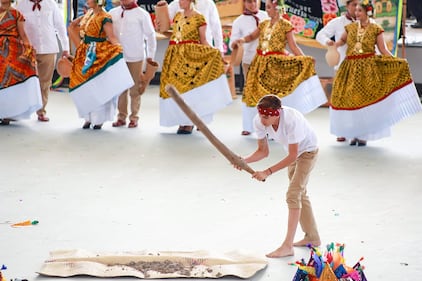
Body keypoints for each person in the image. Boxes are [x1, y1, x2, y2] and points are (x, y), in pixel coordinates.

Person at [233, 94, 321, 258]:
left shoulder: (291, 120)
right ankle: (312, 237)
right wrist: (243, 161)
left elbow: (293, 155)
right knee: (300, 194)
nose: (262, 119)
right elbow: (263, 152)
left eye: (266, 116)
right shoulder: (259, 121)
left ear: (277, 113)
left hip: (308, 152)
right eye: (261, 115)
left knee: (293, 195)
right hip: (293, 153)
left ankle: (288, 246)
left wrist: (267, 172)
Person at [331, 0, 422, 146]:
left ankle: (363, 135)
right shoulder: (350, 28)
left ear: (367, 12)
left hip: (368, 69)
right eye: (356, 11)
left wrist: (396, 61)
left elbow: (383, 49)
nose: (357, 13)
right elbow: (342, 40)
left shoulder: (376, 29)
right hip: (350, 68)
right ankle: (353, 133)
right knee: (350, 100)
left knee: (365, 101)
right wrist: (334, 45)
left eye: (360, 11)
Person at [231, 0, 327, 133]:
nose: (267, 10)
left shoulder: (286, 25)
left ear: (277, 9)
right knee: (252, 92)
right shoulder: (264, 23)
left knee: (272, 97)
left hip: (276, 65)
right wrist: (241, 40)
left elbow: (293, 46)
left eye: (269, 7)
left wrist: (304, 58)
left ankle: (273, 126)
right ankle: (250, 126)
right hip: (259, 63)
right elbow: (252, 36)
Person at [158, 0, 232, 134]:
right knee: (178, 88)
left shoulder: (202, 12)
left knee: (195, 88)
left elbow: (208, 35)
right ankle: (182, 119)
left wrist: (218, 52)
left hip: (195, 56)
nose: (180, 1)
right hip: (176, 56)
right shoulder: (177, 14)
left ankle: (192, 121)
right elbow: (169, 29)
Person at [68, 0, 134, 130]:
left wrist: (119, 51)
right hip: (84, 52)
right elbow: (75, 27)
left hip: (98, 54)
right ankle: (87, 117)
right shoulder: (88, 14)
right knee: (85, 84)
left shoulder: (105, 17)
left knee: (98, 84)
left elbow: (111, 37)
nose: (87, 1)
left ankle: (98, 119)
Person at [17, 0, 69, 122]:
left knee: (45, 82)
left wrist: (65, 48)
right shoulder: (21, 4)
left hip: (49, 48)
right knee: (23, 81)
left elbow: (60, 26)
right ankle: (19, 111)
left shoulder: (51, 4)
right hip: (28, 50)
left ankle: (41, 111)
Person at [109, 0, 157, 128]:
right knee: (120, 88)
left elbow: (151, 36)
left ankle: (134, 117)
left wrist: (150, 56)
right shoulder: (113, 13)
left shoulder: (142, 14)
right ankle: (121, 116)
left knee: (135, 88)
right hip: (119, 56)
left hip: (136, 56)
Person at [230, 0, 268, 136]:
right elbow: (232, 42)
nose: (253, 4)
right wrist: (236, 43)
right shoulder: (239, 21)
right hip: (249, 60)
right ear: (244, 3)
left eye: (255, 1)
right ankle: (249, 126)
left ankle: (267, 125)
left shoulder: (266, 16)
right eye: (249, 2)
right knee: (250, 91)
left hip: (267, 60)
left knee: (266, 92)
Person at [0, 0, 42, 125]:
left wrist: (29, 48)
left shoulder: (17, 14)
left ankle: (8, 113)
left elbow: (22, 34)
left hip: (12, 49)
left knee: (10, 80)